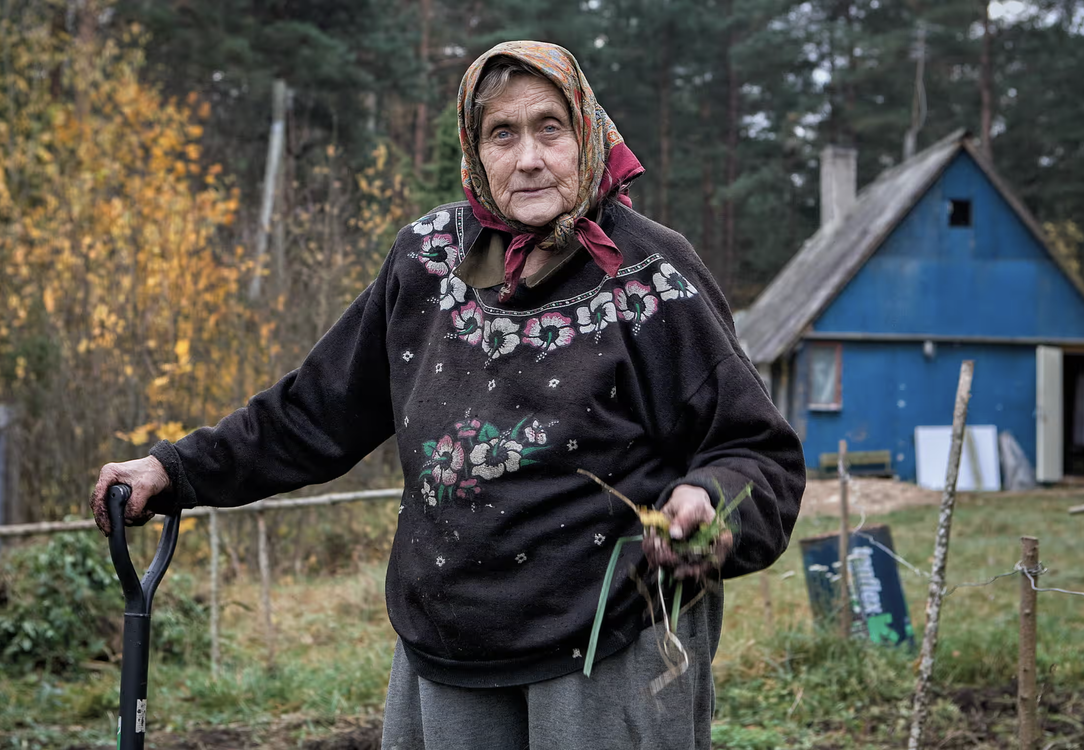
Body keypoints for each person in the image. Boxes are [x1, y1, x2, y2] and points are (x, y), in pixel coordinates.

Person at [90, 40, 805, 750]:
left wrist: (709, 501)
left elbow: (757, 451)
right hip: (446, 650)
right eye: (503, 133)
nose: (528, 157)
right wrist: (175, 470)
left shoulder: (655, 277)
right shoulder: (427, 260)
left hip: (607, 650)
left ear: (587, 130)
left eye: (549, 128)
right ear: (474, 148)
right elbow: (315, 410)